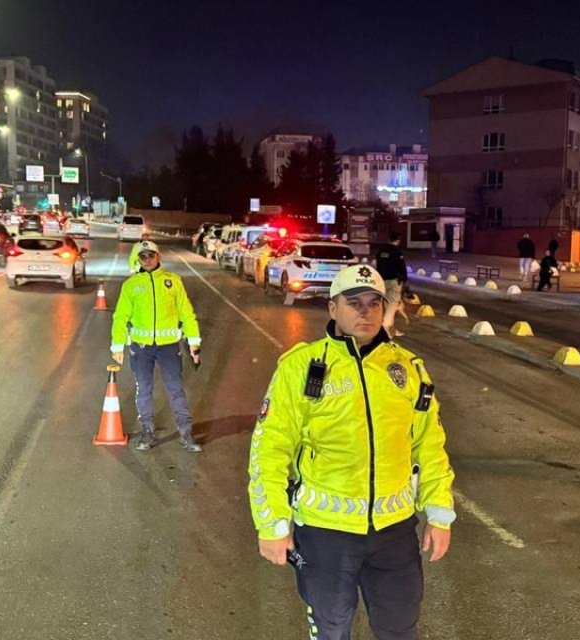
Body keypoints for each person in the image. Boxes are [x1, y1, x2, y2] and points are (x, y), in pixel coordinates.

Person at [249, 264, 456, 640]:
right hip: (326, 534)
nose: (366, 311)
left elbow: (429, 443)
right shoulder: (301, 368)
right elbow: (269, 449)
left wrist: (439, 513)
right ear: (333, 309)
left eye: (374, 303)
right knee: (331, 631)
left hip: (394, 533)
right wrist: (272, 524)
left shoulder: (407, 369)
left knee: (400, 630)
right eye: (354, 302)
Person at [111, 241, 204, 452]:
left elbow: (186, 314)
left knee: (176, 390)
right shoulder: (131, 285)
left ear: (158, 256)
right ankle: (147, 431)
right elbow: (120, 318)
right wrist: (117, 346)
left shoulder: (173, 281)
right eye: (143, 256)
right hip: (141, 348)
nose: (147, 260)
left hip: (169, 347)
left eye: (151, 255)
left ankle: (186, 433)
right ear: (138, 259)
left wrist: (194, 344)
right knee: (143, 390)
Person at [375, 233, 409, 338]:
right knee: (392, 306)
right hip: (393, 281)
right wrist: (405, 279)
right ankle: (386, 327)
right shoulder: (397, 251)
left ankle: (392, 329)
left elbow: (378, 264)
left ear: (389, 239)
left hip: (382, 281)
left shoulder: (381, 250)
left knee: (387, 304)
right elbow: (401, 267)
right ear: (398, 241)